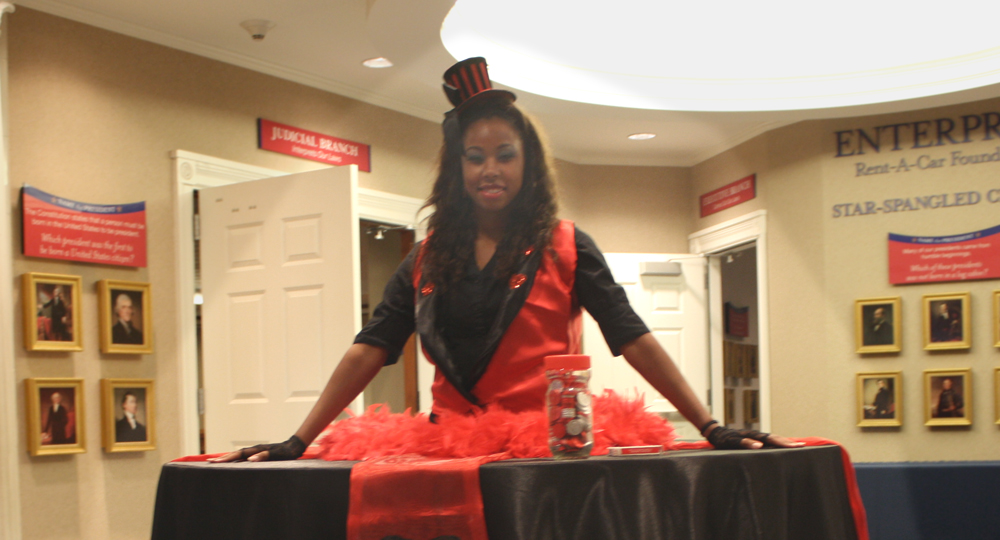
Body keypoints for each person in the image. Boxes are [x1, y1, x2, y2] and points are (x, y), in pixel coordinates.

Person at [217, 58, 796, 463]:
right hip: (447, 456)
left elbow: (633, 336)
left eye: (504, 154)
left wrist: (710, 425)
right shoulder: (425, 258)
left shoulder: (568, 245)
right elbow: (371, 346)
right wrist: (299, 440)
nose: (489, 169)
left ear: (528, 163)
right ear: (458, 168)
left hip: (545, 457)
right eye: (474, 157)